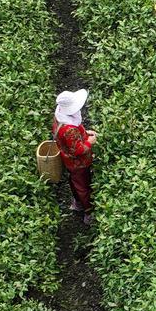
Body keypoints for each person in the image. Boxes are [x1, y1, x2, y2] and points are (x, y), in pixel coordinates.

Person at [53, 89, 96, 225]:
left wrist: (85, 133)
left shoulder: (60, 116)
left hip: (69, 161)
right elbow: (78, 150)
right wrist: (89, 142)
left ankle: (77, 202)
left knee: (74, 181)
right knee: (83, 186)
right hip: (78, 163)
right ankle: (88, 213)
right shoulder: (69, 130)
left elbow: (73, 136)